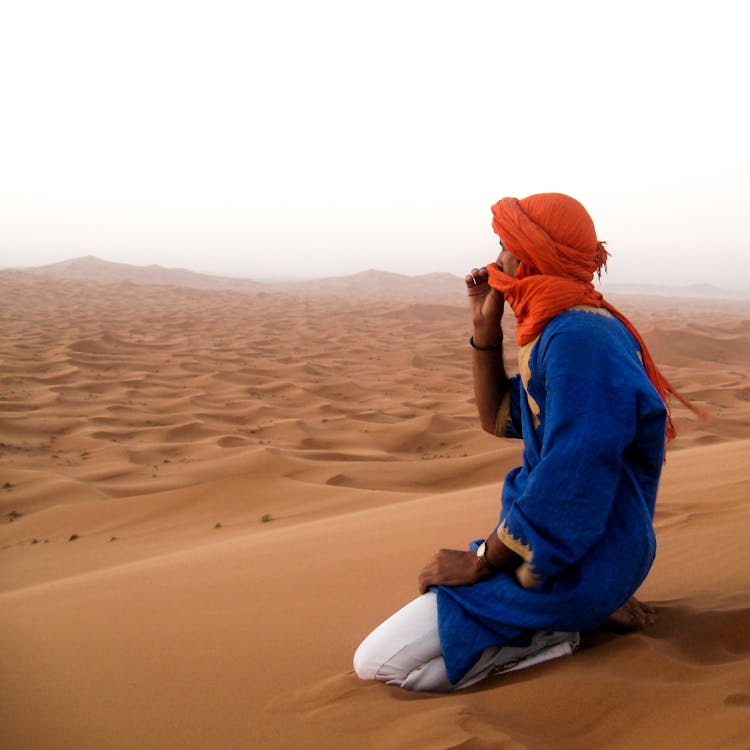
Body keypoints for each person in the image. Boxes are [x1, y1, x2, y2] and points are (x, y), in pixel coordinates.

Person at [353, 192, 694, 692]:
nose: (497, 263)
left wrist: (481, 561)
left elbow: (572, 480)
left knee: (380, 666)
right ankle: (572, 616)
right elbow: (499, 419)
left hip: (576, 559)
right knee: (407, 662)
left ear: (534, 257)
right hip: (566, 546)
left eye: (507, 248)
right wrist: (483, 330)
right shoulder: (562, 326)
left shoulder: (579, 339)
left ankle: (567, 630)